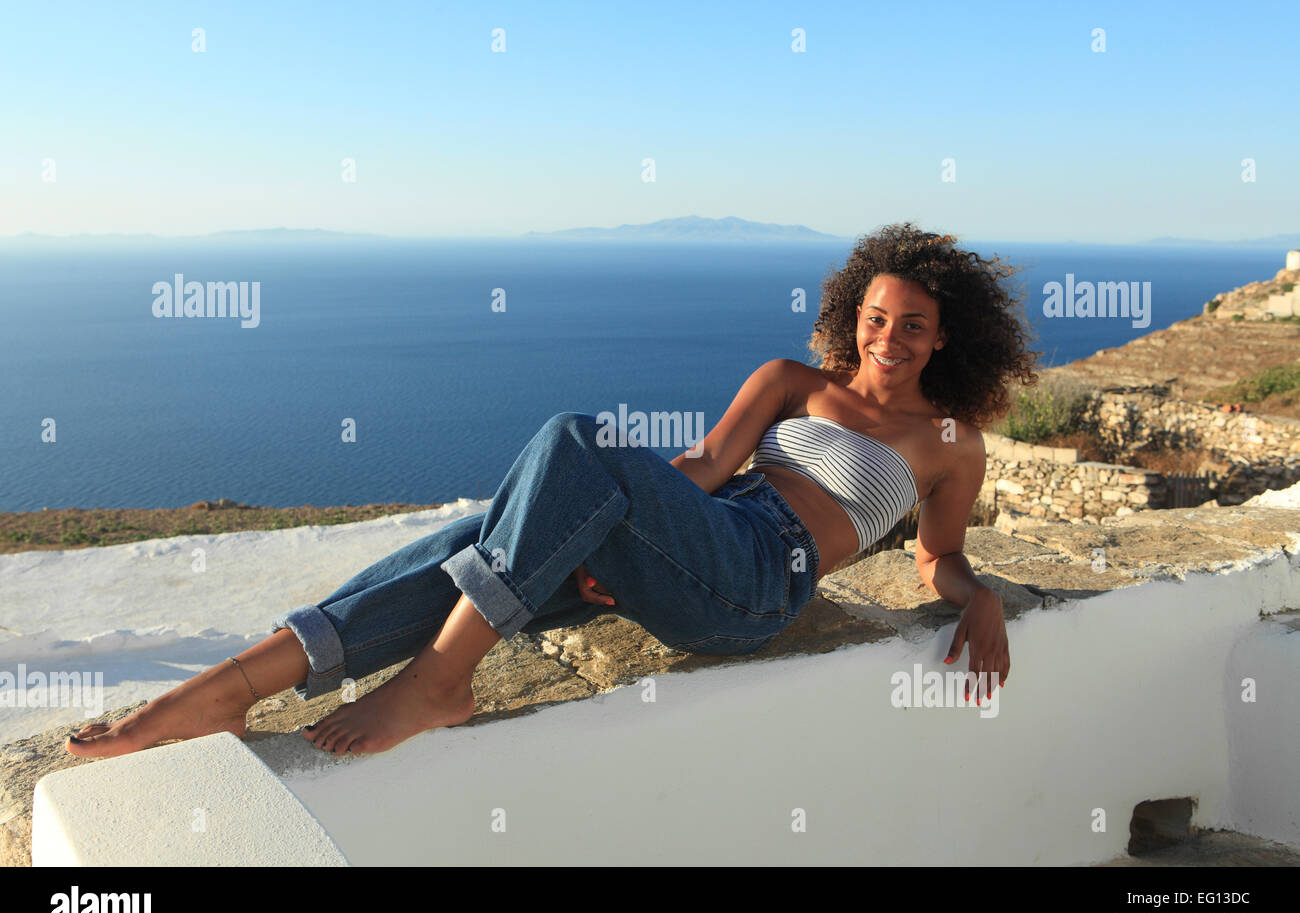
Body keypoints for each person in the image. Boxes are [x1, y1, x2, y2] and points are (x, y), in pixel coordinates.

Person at [66, 222, 1038, 759]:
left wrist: (978, 593)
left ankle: (440, 680)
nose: (889, 337)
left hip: (760, 578)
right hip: (702, 534)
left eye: (913, 325)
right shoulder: (791, 378)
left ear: (943, 336)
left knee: (570, 442)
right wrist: (618, 528)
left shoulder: (948, 443)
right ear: (852, 313)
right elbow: (697, 470)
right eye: (877, 316)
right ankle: (233, 685)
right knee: (485, 531)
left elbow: (933, 557)